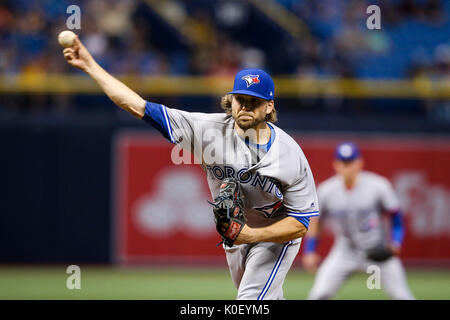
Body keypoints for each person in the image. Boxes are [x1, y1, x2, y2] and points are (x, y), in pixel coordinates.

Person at [62, 35, 319, 300]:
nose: (245, 106)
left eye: (254, 101)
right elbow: (136, 105)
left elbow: (300, 223)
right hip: (235, 236)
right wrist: (90, 65)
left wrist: (253, 235)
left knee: (250, 301)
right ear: (230, 101)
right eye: (240, 99)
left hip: (275, 237)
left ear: (269, 107)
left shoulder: (289, 155)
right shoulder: (207, 130)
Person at [302, 142, 415, 300]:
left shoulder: (378, 185)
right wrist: (310, 251)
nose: (347, 167)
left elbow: (396, 216)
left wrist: (396, 243)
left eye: (351, 162)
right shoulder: (327, 190)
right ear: (336, 165)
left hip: (377, 250)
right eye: (343, 162)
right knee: (319, 294)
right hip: (344, 250)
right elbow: (316, 222)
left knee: (402, 296)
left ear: (359, 163)